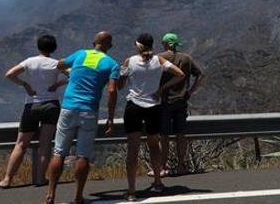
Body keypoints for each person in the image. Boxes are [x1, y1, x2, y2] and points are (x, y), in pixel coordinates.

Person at [45, 31, 119, 204]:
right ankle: (78, 197)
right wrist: (110, 117)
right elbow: (112, 90)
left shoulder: (80, 54)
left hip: (68, 108)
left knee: (59, 152)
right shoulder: (112, 64)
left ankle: (50, 194)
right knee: (83, 156)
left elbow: (59, 64)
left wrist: (71, 71)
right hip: (89, 111)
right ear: (110, 46)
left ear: (93, 42)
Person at [119, 33, 184, 201]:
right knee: (154, 146)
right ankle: (157, 182)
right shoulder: (159, 61)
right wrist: (161, 89)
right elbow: (180, 74)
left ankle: (132, 191)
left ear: (138, 45)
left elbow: (120, 85)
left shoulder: (129, 61)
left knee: (132, 150)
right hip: (154, 107)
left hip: (133, 106)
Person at [0, 34, 67, 188]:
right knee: (45, 144)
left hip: (32, 105)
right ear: (53, 48)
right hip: (51, 105)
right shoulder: (56, 64)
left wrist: (25, 85)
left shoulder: (29, 62)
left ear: (38, 47)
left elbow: (9, 74)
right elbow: (72, 75)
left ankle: (7, 179)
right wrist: (57, 85)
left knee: (21, 143)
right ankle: (41, 179)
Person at [157, 32, 204, 176]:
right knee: (180, 134)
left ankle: (162, 167)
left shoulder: (160, 58)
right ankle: (181, 166)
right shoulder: (186, 58)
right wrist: (190, 91)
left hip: (164, 101)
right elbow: (201, 75)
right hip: (182, 100)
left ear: (165, 43)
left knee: (163, 136)